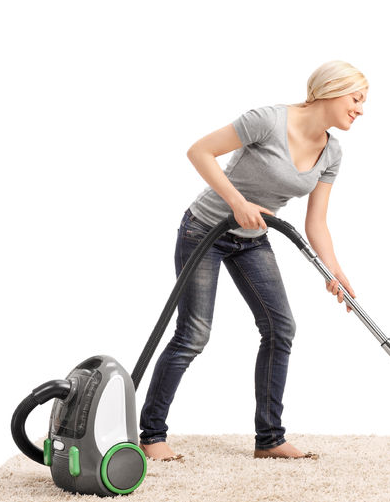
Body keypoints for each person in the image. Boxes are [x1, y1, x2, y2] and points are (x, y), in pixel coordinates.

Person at [138, 61, 368, 461]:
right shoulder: (268, 120)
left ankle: (270, 439)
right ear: (331, 90)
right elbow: (200, 151)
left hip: (253, 239)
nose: (361, 109)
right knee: (193, 335)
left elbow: (317, 223)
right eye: (356, 98)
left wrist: (335, 272)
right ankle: (151, 434)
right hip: (204, 231)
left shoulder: (332, 152)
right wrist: (237, 202)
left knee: (281, 329)